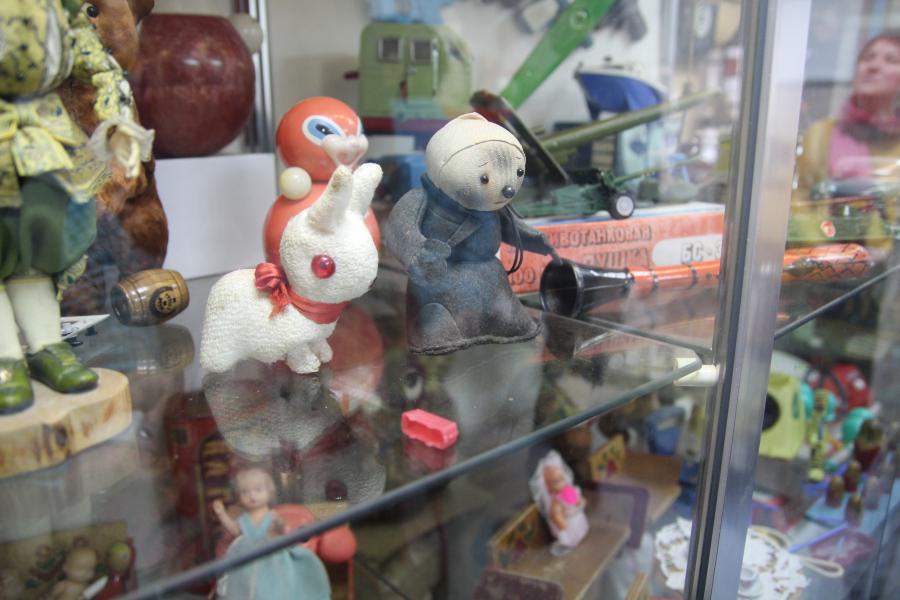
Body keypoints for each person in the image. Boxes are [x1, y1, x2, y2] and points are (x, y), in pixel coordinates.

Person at [792, 31, 900, 254]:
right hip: (825, 261)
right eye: (867, 58)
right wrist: (824, 253)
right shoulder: (821, 134)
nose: (873, 66)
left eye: (891, 60)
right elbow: (798, 203)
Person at [212, 466, 331, 600]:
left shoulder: (272, 515)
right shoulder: (244, 519)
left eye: (258, 490)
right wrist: (221, 514)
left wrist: (281, 528)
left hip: (271, 555)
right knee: (243, 584)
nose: (252, 496)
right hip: (246, 555)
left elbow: (282, 530)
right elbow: (235, 530)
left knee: (276, 584)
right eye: (245, 492)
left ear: (269, 492)